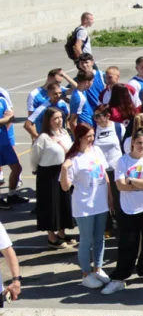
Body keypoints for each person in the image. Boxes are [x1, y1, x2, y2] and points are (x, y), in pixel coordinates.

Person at [102, 128, 143, 295]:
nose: (142, 146)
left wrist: (130, 180)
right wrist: (141, 183)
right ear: (133, 144)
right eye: (139, 143)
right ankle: (120, 278)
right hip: (128, 208)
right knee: (128, 243)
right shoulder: (122, 161)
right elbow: (120, 186)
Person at [60, 122, 113, 289]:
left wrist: (110, 196)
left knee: (99, 238)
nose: (91, 139)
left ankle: (98, 268)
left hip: (100, 203)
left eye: (92, 135)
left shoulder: (96, 150)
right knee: (86, 240)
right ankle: (86, 274)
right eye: (88, 136)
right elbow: (65, 187)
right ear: (80, 137)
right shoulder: (73, 158)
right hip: (84, 206)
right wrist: (64, 169)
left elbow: (104, 174)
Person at [31, 106, 74, 247]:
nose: (59, 120)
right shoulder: (43, 137)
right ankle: (52, 237)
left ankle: (61, 233)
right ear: (48, 120)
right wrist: (36, 170)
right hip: (48, 174)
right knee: (50, 205)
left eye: (61, 117)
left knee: (63, 203)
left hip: (63, 171)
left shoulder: (64, 133)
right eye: (55, 118)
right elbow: (34, 157)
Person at [0, 87, 25, 210]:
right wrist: (6, 119)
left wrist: (6, 120)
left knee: (17, 168)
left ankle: (12, 194)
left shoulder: (2, 100)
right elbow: (8, 118)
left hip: (4, 141)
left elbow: (12, 117)